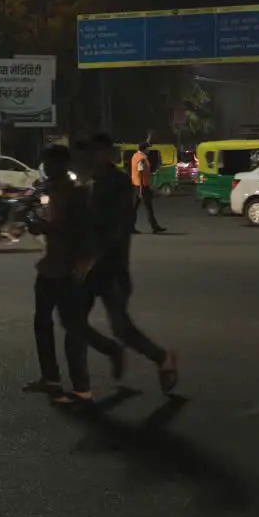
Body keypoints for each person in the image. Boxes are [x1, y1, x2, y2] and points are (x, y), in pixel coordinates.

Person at [24, 144, 124, 404]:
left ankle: (83, 388)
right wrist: (40, 226)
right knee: (43, 323)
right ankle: (52, 379)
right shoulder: (51, 190)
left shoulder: (78, 194)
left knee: (73, 329)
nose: (46, 168)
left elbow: (85, 231)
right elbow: (55, 225)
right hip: (50, 267)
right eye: (45, 163)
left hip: (70, 270)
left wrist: (85, 262)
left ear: (62, 165)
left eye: (50, 163)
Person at [79, 134, 179, 395]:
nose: (91, 156)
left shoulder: (117, 183)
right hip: (88, 266)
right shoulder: (90, 182)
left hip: (110, 268)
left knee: (121, 328)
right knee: (73, 321)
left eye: (96, 151)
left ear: (107, 153)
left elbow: (116, 230)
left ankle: (162, 358)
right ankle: (84, 381)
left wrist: (93, 258)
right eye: (89, 151)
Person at [129, 142, 166, 234]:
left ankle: (130, 227)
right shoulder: (142, 158)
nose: (149, 150)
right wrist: (141, 190)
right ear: (144, 149)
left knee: (134, 208)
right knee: (148, 208)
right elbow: (140, 172)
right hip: (142, 186)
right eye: (148, 149)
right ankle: (155, 227)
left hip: (136, 184)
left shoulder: (135, 156)